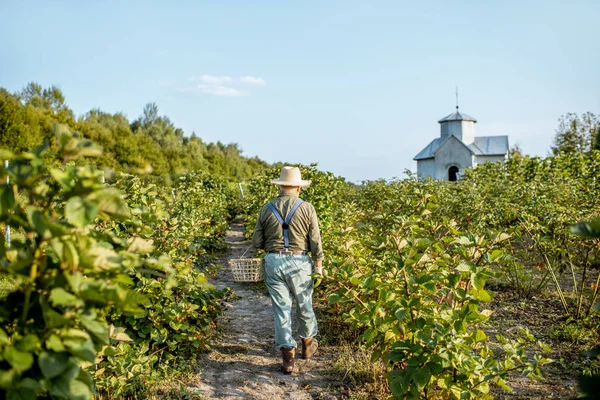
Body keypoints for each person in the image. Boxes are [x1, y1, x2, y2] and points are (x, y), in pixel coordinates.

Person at [252, 166, 324, 374]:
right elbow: (316, 241)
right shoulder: (307, 208)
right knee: (304, 303)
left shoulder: (267, 208)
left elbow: (257, 241)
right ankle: (308, 345)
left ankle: (288, 359)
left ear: (281, 186)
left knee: (281, 309)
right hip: (300, 261)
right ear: (298, 188)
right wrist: (318, 266)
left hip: (274, 262)